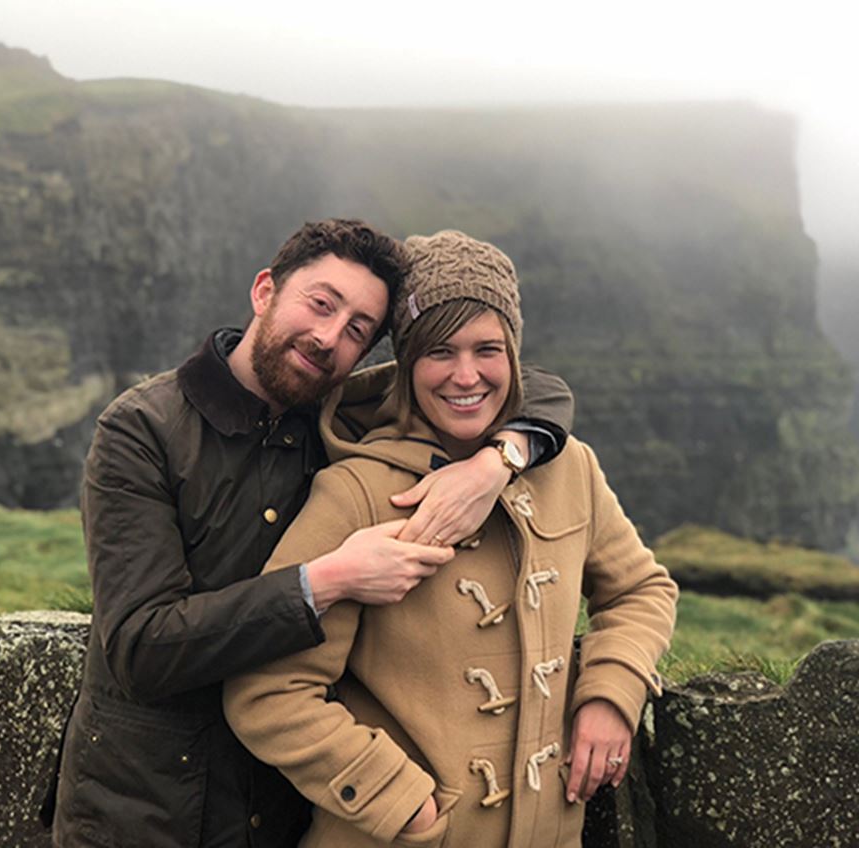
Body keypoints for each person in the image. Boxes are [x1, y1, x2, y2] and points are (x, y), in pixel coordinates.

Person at [48, 220, 576, 848]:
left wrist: (498, 460)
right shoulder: (142, 431)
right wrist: (327, 580)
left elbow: (526, 384)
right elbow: (140, 648)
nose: (329, 337)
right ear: (264, 290)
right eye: (321, 304)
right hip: (144, 812)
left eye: (357, 330)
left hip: (279, 810)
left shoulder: (333, 416)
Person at [223, 230, 678, 847]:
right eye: (440, 351)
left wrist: (613, 691)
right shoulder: (356, 492)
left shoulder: (569, 468)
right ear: (407, 363)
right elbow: (265, 690)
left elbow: (641, 590)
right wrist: (402, 803)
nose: (467, 376)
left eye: (487, 349)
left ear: (513, 354)